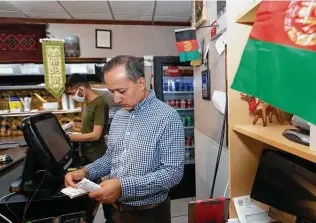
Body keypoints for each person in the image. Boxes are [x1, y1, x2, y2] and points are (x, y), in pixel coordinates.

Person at [65, 56, 185, 223]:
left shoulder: (167, 118)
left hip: (149, 214)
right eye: (112, 92)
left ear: (141, 83)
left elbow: (173, 173)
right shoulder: (120, 116)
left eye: (121, 91)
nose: (116, 99)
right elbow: (111, 158)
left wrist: (122, 187)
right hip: (115, 210)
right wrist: (86, 171)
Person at [65, 73, 109, 165]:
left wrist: (70, 138)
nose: (72, 97)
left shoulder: (100, 103)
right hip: (86, 152)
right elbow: (89, 125)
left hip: (96, 155)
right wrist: (74, 126)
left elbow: (96, 135)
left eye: (72, 93)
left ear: (81, 88)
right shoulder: (86, 102)